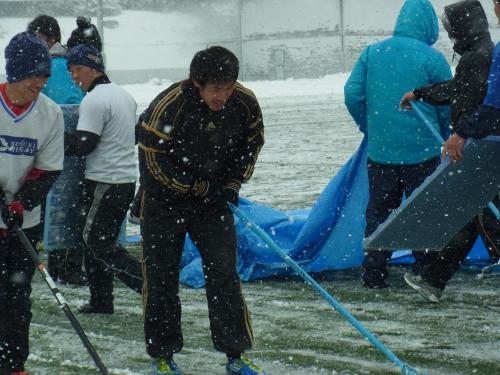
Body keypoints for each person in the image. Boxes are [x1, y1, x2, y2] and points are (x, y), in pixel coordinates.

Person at [137, 46, 266, 375]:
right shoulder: (170, 105)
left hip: (213, 203)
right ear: (197, 82)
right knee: (162, 276)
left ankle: (236, 354)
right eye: (215, 88)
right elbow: (152, 159)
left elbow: (253, 141)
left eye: (228, 87)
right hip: (163, 202)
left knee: (224, 273)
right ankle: (163, 355)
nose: (222, 96)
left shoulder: (244, 102)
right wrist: (191, 186)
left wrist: (234, 183)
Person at [344, 0, 452, 288]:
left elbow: (352, 94)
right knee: (424, 212)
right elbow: (446, 102)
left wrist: (369, 127)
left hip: (381, 154)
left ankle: (374, 270)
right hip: (423, 151)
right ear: (428, 25)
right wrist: (443, 133)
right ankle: (426, 268)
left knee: (379, 213)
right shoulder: (432, 58)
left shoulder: (372, 53)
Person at [402, 0, 500, 302]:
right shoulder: (484, 51)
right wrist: (423, 93)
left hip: (482, 146)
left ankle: (434, 278)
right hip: (484, 142)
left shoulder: (478, 57)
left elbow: (483, 103)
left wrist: (461, 134)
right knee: (474, 216)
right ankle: (434, 279)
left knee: (486, 217)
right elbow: (461, 89)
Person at [0, 31, 64, 375]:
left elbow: (49, 168)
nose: (39, 84)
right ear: (14, 73)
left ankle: (13, 365)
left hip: (23, 221)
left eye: (44, 77)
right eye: (33, 76)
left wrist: (22, 203)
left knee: (16, 298)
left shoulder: (50, 114)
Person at [65, 44, 142, 314]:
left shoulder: (94, 99)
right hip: (124, 180)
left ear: (91, 68)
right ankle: (101, 301)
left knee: (96, 241)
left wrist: (52, 139)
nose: (74, 77)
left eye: (76, 70)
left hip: (103, 181)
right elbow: (132, 136)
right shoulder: (124, 95)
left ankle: (149, 285)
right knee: (100, 239)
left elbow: (85, 144)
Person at [27, 14, 86, 286]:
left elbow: (66, 108)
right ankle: (60, 265)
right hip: (59, 148)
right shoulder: (53, 64)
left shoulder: (58, 66)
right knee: (58, 207)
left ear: (50, 38)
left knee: (60, 207)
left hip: (63, 150)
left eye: (37, 38)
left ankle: (63, 266)